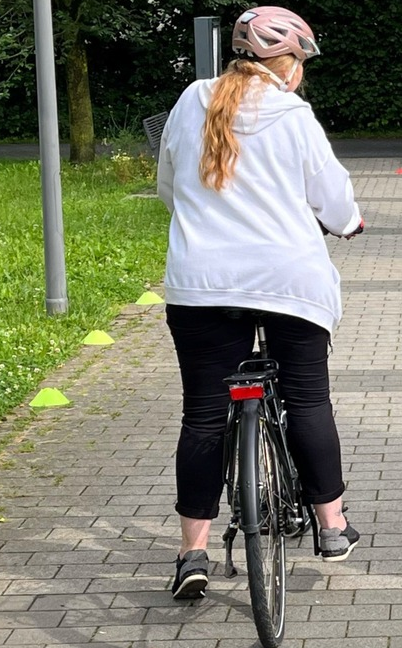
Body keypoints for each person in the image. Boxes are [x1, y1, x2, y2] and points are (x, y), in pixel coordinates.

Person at [156, 6, 362, 601]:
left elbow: (170, 187)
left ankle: (191, 551)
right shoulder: (294, 114)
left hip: (201, 285)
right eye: (301, 61)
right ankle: (332, 527)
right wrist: (348, 223)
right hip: (288, 286)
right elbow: (335, 201)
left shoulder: (192, 100)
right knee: (306, 400)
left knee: (202, 415)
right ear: (289, 64)